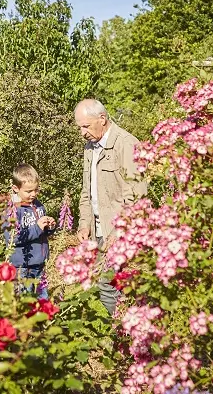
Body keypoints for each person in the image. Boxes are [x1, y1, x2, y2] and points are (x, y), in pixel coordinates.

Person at [74, 99, 148, 315]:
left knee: (107, 285)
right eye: (79, 127)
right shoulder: (90, 147)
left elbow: (136, 195)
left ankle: (125, 331)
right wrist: (84, 223)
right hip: (98, 231)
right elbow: (87, 190)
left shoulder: (126, 144)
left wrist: (119, 232)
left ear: (102, 119)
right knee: (109, 284)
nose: (82, 133)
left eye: (85, 126)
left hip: (118, 233)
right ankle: (129, 332)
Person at [3, 163, 57, 299]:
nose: (33, 194)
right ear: (15, 188)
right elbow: (13, 238)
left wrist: (49, 227)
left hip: (39, 263)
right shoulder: (12, 210)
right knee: (24, 301)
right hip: (22, 266)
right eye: (28, 191)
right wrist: (37, 227)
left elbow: (41, 233)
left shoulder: (38, 206)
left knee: (41, 299)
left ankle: (43, 319)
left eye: (36, 190)